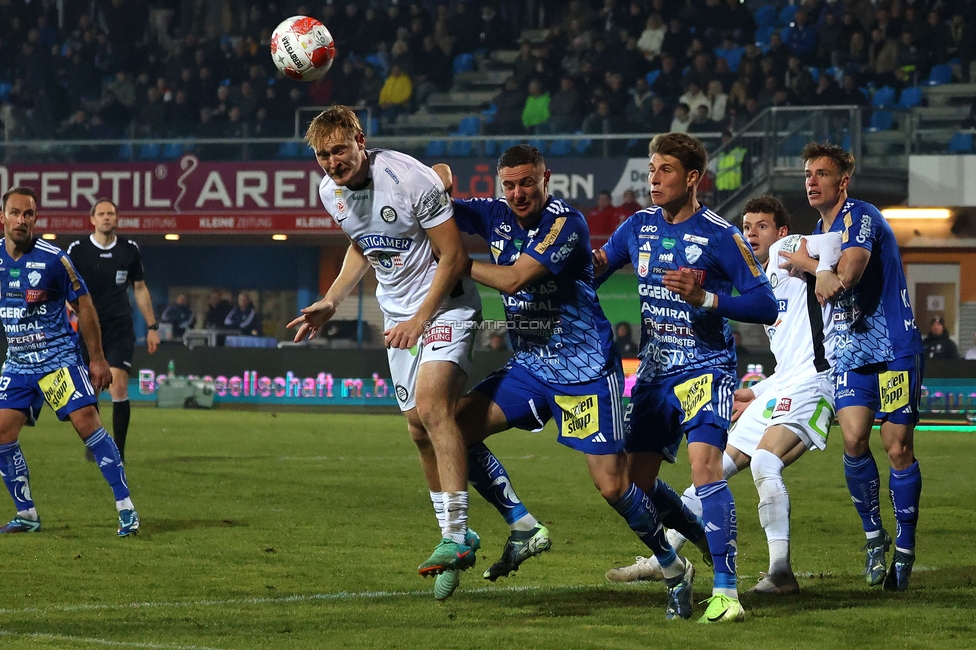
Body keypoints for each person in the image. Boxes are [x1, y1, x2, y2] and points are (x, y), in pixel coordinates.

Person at [435, 145, 702, 618]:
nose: (518, 193)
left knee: (614, 488)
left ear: (546, 180)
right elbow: (433, 209)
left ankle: (672, 567)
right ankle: (521, 524)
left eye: (527, 183)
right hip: (533, 369)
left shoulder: (566, 223)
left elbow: (516, 279)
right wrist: (435, 178)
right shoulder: (494, 215)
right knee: (454, 428)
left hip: (584, 373)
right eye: (510, 184)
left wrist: (458, 262)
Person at [289, 106, 481, 597]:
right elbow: (361, 246)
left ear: (360, 139)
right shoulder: (329, 192)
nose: (332, 162)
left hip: (445, 308)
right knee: (417, 428)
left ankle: (456, 537)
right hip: (399, 318)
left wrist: (422, 319)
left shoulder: (410, 177)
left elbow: (455, 255)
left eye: (339, 150)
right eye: (322, 155)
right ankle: (454, 537)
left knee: (435, 407)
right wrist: (333, 299)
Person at [610, 196, 842, 594]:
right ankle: (663, 556)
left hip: (815, 380)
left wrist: (816, 268)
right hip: (783, 381)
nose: (751, 232)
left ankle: (780, 572)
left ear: (782, 232)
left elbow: (833, 243)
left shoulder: (790, 252)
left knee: (765, 463)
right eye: (747, 225)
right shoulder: (761, 275)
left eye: (762, 226)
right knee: (712, 472)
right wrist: (761, 388)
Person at [594, 133, 778, 623]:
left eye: (666, 170)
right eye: (651, 169)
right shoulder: (637, 227)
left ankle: (727, 592)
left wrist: (708, 300)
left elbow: (765, 304)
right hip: (654, 371)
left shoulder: (720, 234)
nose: (653, 178)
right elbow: (595, 270)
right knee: (636, 480)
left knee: (704, 468)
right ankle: (701, 541)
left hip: (705, 366)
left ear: (693, 177)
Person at [782, 142, 924, 592]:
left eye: (821, 174)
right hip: (851, 352)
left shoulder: (860, 216)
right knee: (853, 440)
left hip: (894, 348)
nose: (811, 181)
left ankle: (904, 545)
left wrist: (808, 264)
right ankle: (873, 536)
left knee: (897, 446)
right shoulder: (820, 231)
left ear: (842, 181)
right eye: (808, 173)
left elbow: (848, 275)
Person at [0, 187, 139, 536]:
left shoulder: (54, 259)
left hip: (57, 358)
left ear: (36, 218)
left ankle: (126, 509)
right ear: (2, 217)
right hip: (17, 362)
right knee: (2, 432)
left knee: (86, 423)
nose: (21, 220)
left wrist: (97, 359)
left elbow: (84, 305)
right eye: (15, 213)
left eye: (28, 214)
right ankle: (27, 515)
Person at [67, 198, 160, 463]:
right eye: (101, 213)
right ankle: (95, 443)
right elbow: (64, 288)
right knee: (91, 388)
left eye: (111, 213)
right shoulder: (78, 250)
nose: (106, 217)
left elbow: (139, 288)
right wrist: (73, 312)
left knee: (118, 383)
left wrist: (152, 327)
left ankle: (117, 451)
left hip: (120, 326)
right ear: (92, 219)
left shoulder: (129, 250)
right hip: (89, 329)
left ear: (117, 219)